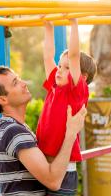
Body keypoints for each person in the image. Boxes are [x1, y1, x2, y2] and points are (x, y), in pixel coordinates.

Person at [0, 66, 87, 196]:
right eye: (15, 83)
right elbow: (53, 181)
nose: (23, 83)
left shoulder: (11, 127)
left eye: (19, 79)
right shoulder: (14, 131)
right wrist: (71, 134)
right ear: (3, 99)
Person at [36, 19, 96, 195]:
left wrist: (73, 22)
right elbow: (47, 56)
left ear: (82, 77)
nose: (59, 70)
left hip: (62, 172)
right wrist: (48, 26)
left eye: (66, 67)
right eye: (60, 66)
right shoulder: (54, 86)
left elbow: (74, 56)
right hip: (43, 167)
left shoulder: (76, 92)